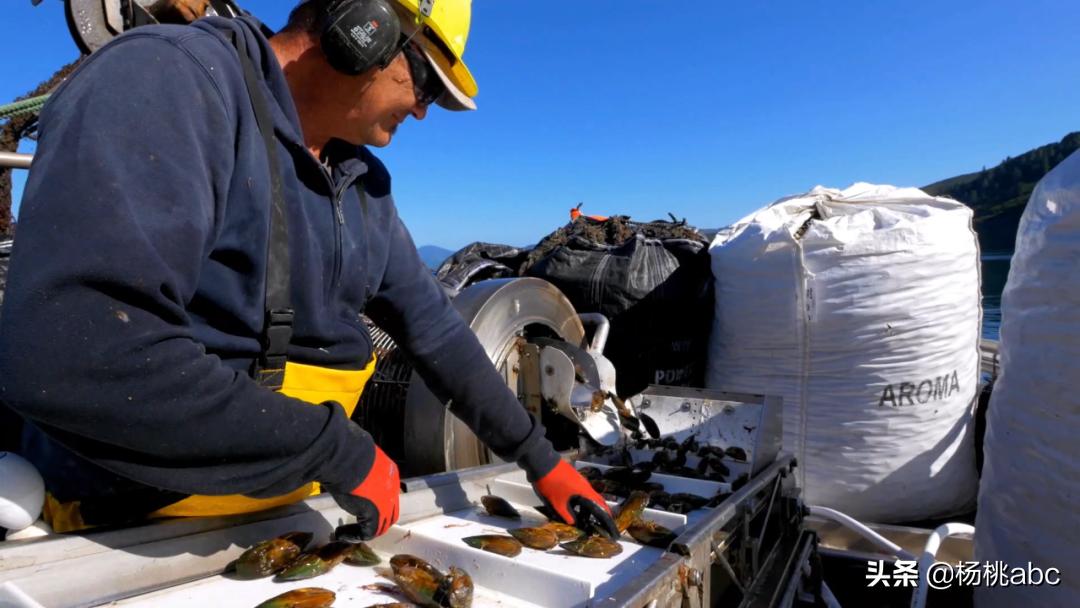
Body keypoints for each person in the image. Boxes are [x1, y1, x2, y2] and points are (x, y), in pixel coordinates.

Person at [0, 0, 617, 539]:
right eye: (426, 83)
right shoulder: (170, 82)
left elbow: (437, 332)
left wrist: (540, 461)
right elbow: (73, 351)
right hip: (126, 524)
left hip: (281, 511)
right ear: (364, 26)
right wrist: (334, 449)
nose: (422, 112)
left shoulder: (362, 185)